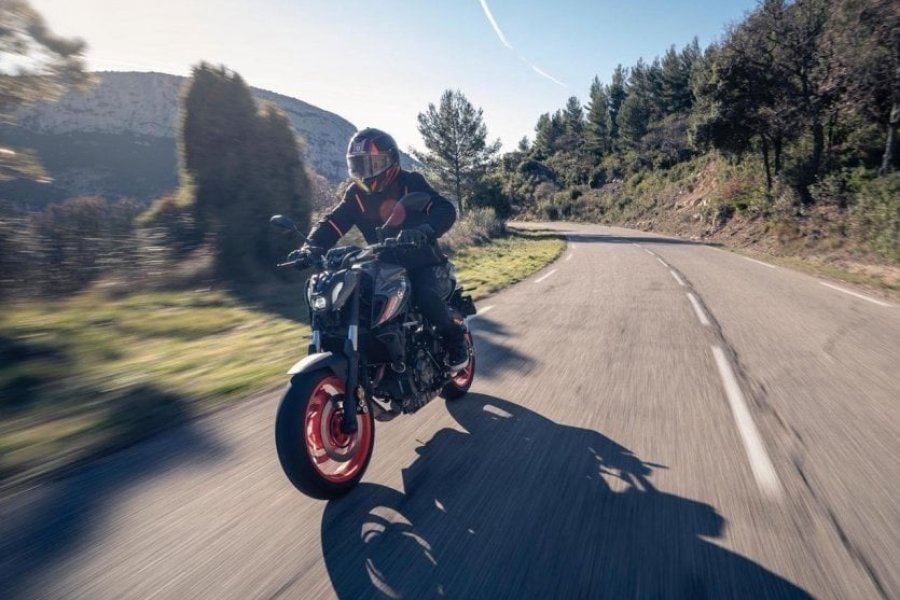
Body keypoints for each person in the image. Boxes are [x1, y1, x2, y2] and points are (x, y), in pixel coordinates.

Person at [290, 127, 469, 370]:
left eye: (372, 164)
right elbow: (333, 223)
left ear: (390, 160)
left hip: (422, 261)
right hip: (382, 264)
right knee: (356, 303)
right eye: (359, 166)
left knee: (426, 297)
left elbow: (444, 209)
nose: (366, 173)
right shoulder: (356, 194)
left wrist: (425, 231)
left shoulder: (411, 182)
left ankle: (454, 338)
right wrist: (310, 247)